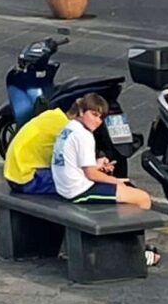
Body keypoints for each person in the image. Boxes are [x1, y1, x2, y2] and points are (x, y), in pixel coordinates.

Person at [50, 94, 157, 231]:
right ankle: (131, 242)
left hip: (66, 187)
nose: (97, 121)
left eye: (100, 118)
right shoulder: (84, 136)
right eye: (94, 115)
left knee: (126, 191)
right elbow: (92, 174)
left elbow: (77, 162)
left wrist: (97, 164)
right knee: (142, 198)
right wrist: (115, 181)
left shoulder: (70, 127)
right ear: (82, 111)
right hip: (78, 191)